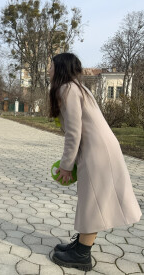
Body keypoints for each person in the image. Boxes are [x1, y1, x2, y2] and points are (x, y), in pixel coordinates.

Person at [49, 53, 142, 271]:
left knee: (92, 202)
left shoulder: (67, 89)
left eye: (51, 66)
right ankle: (80, 245)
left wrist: (65, 165)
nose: (48, 70)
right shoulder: (78, 88)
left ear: (60, 67)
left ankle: (82, 255)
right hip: (100, 149)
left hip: (96, 152)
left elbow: (74, 132)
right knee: (91, 200)